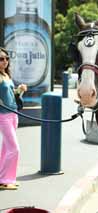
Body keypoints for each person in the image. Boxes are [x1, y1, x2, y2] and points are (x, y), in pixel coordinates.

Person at [0, 47, 27, 190]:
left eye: (6, 58)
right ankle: (5, 180)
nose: (5, 61)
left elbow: (10, 94)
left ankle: (4, 177)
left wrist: (19, 90)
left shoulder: (6, 75)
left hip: (13, 113)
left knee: (6, 148)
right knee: (14, 149)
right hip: (3, 116)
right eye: (1, 59)